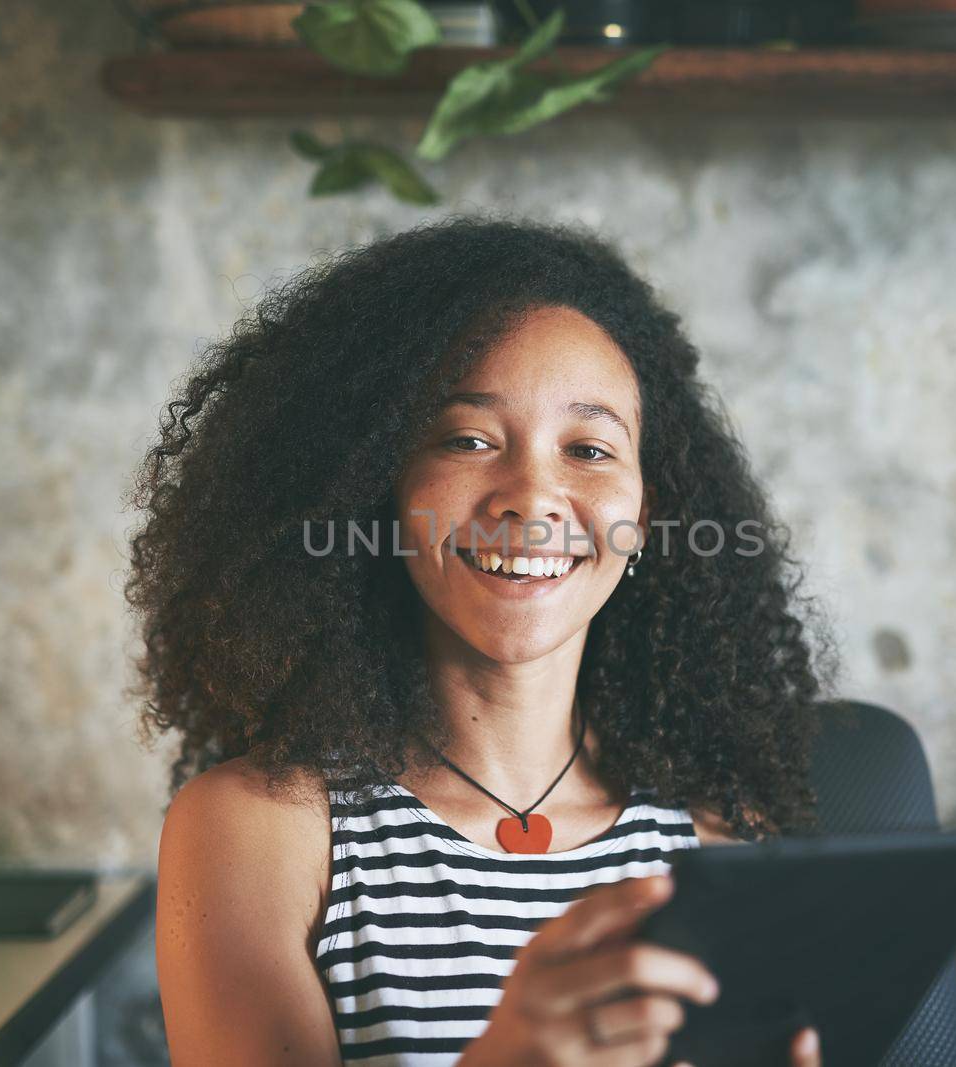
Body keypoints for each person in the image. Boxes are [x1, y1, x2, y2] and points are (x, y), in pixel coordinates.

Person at [126, 215, 838, 1066]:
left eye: (589, 448)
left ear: (644, 515)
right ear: (376, 487)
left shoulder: (722, 838)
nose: (533, 496)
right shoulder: (261, 831)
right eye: (468, 438)